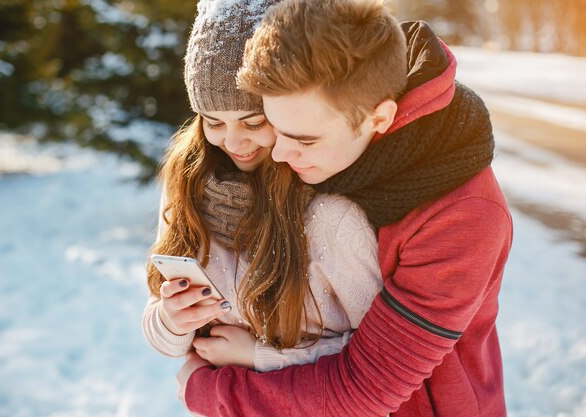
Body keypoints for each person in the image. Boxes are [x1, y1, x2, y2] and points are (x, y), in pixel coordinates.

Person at [178, 1, 514, 416]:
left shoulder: (462, 216)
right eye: (275, 129)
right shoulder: (329, 141)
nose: (278, 155)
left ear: (379, 118)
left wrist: (209, 391)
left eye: (303, 139)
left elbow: (365, 389)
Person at [143, 0, 381, 382]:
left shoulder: (332, 216)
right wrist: (171, 322)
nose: (233, 141)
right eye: (213, 121)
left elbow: (384, 356)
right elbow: (161, 330)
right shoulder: (188, 182)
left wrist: (261, 357)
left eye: (253, 121)